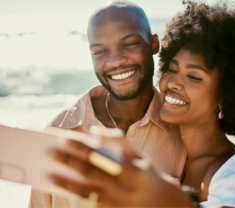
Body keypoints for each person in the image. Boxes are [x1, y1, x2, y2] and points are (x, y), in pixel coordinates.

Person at [48, 1, 235, 208]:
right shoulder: (185, 159)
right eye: (172, 69)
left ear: (227, 93)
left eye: (194, 76)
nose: (173, 83)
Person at [30, 1, 187, 208]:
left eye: (129, 44)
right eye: (99, 52)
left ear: (154, 44)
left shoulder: (185, 132)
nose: (115, 61)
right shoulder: (59, 132)